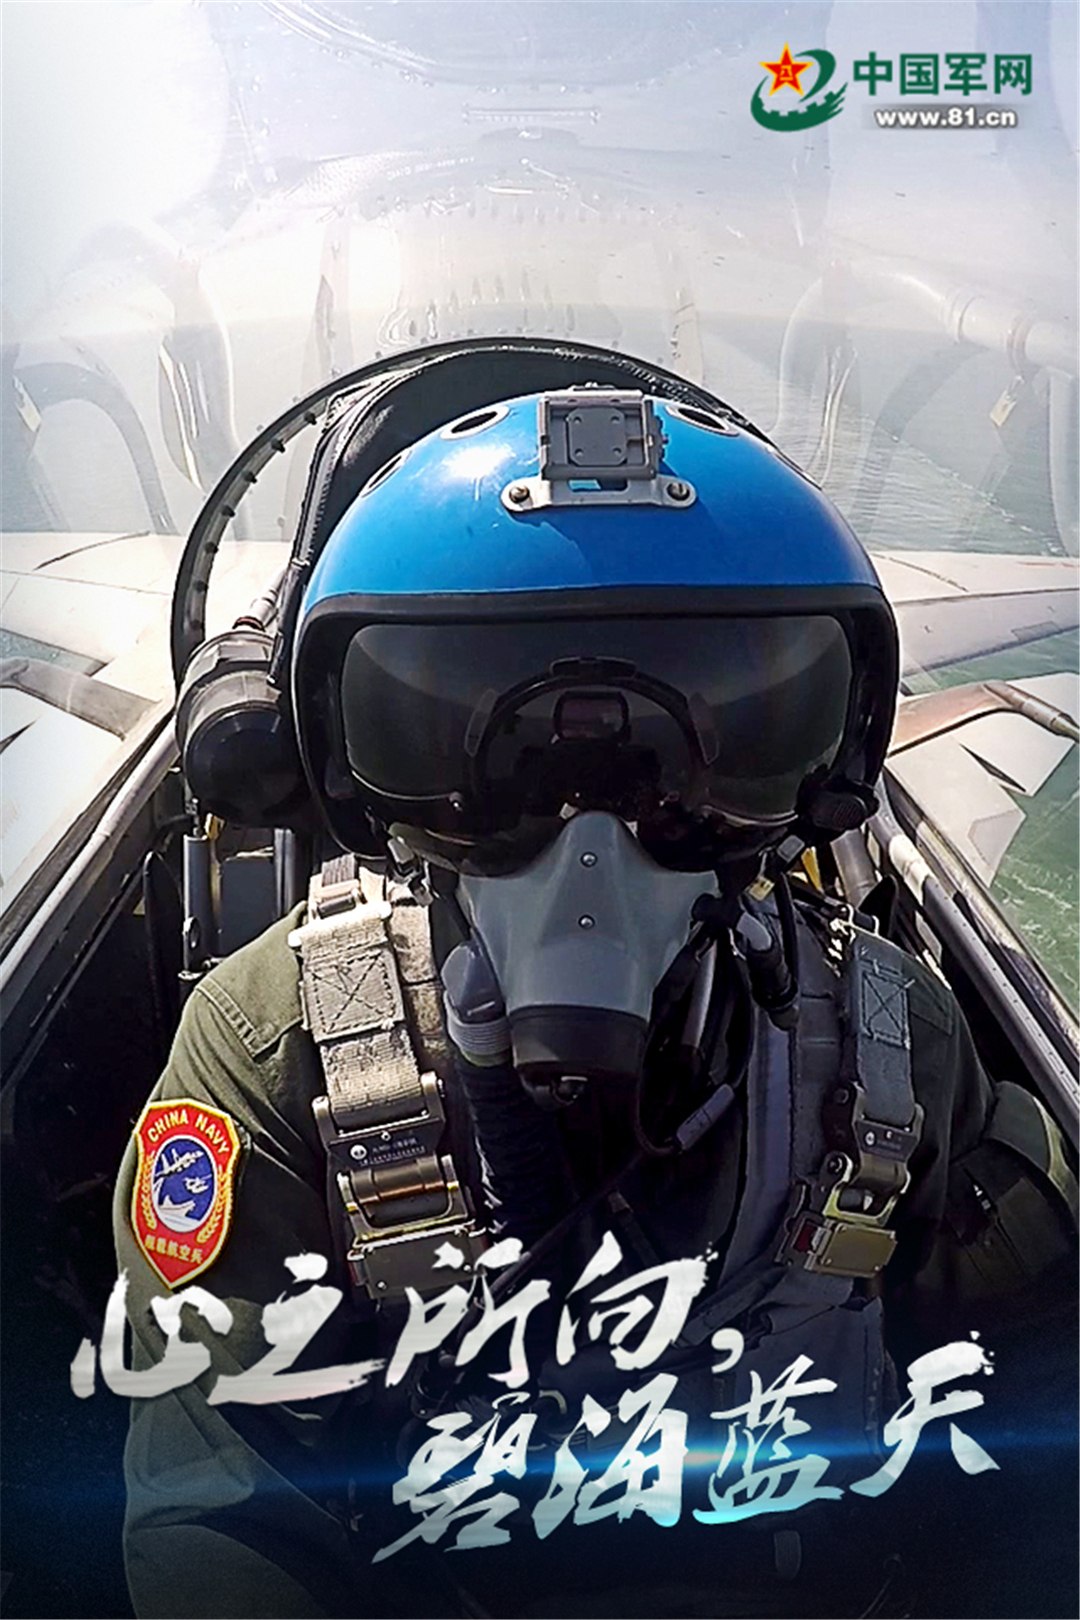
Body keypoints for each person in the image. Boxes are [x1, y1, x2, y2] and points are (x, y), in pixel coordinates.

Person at [114, 380, 1077, 1620]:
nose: (592, 851)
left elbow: (1039, 1398)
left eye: (690, 763)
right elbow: (220, 1505)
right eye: (497, 769)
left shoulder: (891, 1044)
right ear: (360, 785)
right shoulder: (277, 1047)